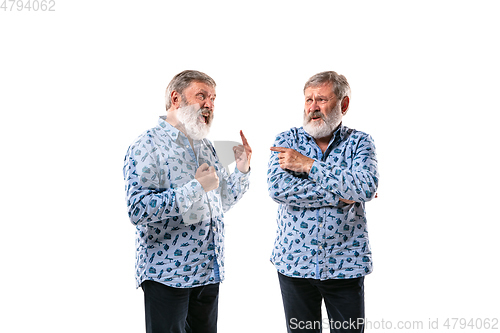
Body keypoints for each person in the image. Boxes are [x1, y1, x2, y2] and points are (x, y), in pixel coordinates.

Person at [123, 70, 252, 333]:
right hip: (168, 275)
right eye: (202, 96)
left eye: (213, 98)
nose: (209, 105)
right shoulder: (147, 145)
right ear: (176, 98)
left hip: (207, 271)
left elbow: (220, 202)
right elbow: (137, 209)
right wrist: (195, 188)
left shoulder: (205, 145)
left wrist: (241, 170)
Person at [268, 71, 379, 333]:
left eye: (321, 100)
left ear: (344, 104)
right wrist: (342, 195)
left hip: (346, 264)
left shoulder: (360, 142)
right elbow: (278, 189)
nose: (313, 107)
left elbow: (365, 186)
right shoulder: (286, 141)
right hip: (294, 263)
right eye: (308, 100)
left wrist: (307, 165)